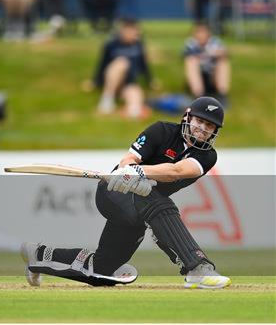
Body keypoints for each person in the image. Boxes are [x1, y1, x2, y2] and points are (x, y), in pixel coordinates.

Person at [21, 96, 232, 289]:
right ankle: (197, 268)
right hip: (115, 192)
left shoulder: (208, 156)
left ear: (214, 131)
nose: (202, 128)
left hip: (143, 208)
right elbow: (128, 160)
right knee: (160, 204)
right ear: (187, 116)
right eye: (199, 121)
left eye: (209, 126)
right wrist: (129, 170)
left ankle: (38, 254)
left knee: (101, 268)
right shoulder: (161, 130)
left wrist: (141, 172)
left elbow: (178, 171)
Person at [93, 18, 153, 118]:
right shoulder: (111, 45)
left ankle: (133, 111)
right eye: (131, 31)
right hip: (112, 80)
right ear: (123, 31)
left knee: (136, 92)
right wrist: (95, 82)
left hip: (128, 82)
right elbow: (102, 64)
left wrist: (150, 81)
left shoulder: (138, 45)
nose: (134, 34)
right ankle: (107, 99)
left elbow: (144, 65)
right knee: (122, 63)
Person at [184, 22, 230, 107]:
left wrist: (219, 54)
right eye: (198, 32)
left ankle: (222, 94)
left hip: (213, 77)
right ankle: (198, 96)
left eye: (203, 32)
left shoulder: (215, 42)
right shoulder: (191, 43)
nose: (201, 35)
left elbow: (226, 53)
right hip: (199, 77)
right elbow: (187, 55)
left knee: (222, 62)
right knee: (191, 61)